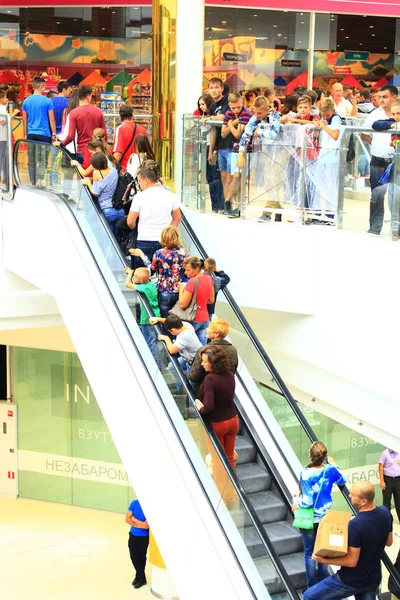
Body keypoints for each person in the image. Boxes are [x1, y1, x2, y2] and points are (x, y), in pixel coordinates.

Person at [303, 480, 393, 600]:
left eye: (353, 494)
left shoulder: (355, 525)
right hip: (373, 578)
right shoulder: (385, 512)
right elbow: (389, 542)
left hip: (351, 580)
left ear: (363, 501)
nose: (349, 495)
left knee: (309, 596)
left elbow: (351, 561)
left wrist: (323, 559)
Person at [291, 442, 346, 590]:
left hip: (309, 519)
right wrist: (334, 465)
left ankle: (311, 586)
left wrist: (296, 503)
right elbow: (343, 480)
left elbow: (307, 501)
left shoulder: (305, 473)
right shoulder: (330, 470)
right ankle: (323, 583)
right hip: (325, 517)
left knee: (309, 553)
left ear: (310, 455)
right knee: (324, 550)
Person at [237, 96, 283, 222]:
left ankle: (267, 212)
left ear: (266, 109)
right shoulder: (255, 118)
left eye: (259, 113)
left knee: (273, 179)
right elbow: (246, 133)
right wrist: (241, 153)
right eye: (255, 112)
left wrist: (260, 132)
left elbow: (274, 134)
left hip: (281, 151)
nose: (256, 115)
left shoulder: (275, 116)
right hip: (268, 151)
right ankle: (278, 208)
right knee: (268, 180)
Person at [127, 166, 181, 270]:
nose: (139, 184)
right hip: (164, 241)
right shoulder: (170, 195)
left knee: (142, 277)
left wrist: (134, 227)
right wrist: (168, 232)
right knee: (163, 273)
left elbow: (130, 221)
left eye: (140, 181)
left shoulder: (139, 197)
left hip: (144, 239)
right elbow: (177, 218)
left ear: (146, 180)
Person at [362, 84, 398, 235]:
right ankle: (375, 228)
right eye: (380, 97)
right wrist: (376, 145)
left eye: (385, 97)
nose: (381, 100)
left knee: (396, 196)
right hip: (378, 160)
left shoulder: (398, 112)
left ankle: (396, 229)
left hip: (397, 161)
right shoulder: (374, 114)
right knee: (377, 195)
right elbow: (364, 133)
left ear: (394, 97)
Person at [194, 346, 238, 469]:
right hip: (233, 420)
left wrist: (199, 406)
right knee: (229, 458)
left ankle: (220, 487)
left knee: (218, 460)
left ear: (214, 364)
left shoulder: (210, 379)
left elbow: (208, 407)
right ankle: (232, 487)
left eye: (204, 361)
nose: (202, 364)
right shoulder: (230, 375)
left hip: (218, 424)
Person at [130, 225, 188, 318]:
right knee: (178, 320)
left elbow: (151, 271)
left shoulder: (160, 253)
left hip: (164, 291)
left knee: (165, 320)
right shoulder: (184, 252)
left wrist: (142, 255)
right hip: (181, 291)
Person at [220, 92, 252, 217]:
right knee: (235, 176)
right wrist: (232, 123)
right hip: (234, 149)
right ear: (229, 105)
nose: (236, 110)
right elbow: (223, 134)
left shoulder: (246, 113)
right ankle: (229, 204)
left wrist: (228, 124)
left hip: (246, 149)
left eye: (238, 107)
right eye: (233, 108)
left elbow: (238, 134)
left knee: (240, 177)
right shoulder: (229, 113)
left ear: (242, 102)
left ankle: (232, 204)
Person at [124, 267, 162, 368]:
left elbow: (127, 284)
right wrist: (133, 274)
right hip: (156, 315)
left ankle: (155, 365)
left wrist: (129, 274)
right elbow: (136, 283)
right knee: (153, 341)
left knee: (150, 342)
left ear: (141, 280)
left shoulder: (144, 288)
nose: (133, 278)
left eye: (135, 276)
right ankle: (159, 364)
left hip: (147, 318)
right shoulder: (150, 284)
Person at [150, 314, 202, 388]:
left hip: (194, 363)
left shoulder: (184, 336)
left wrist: (166, 338)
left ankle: (190, 396)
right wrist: (158, 319)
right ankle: (179, 387)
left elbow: (172, 350)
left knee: (190, 385)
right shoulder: (186, 325)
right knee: (172, 367)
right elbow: (171, 322)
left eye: (170, 331)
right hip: (187, 358)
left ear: (173, 330)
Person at [22, 76, 57, 187]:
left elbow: (24, 120)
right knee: (43, 158)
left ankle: (33, 180)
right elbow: (51, 119)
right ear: (41, 86)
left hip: (31, 134)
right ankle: (40, 180)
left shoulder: (26, 101)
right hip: (44, 134)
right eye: (44, 87)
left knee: (31, 158)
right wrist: (54, 134)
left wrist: (25, 133)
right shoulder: (47, 101)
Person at [59, 85, 106, 164]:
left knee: (82, 174)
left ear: (78, 97)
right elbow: (104, 133)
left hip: (81, 150)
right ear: (88, 97)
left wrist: (62, 144)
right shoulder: (98, 111)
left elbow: (71, 136)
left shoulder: (73, 113)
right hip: (97, 150)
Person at [313, 98, 343, 223]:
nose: (325, 117)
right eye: (323, 115)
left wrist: (324, 126)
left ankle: (330, 215)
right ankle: (317, 213)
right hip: (323, 155)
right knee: (318, 185)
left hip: (332, 156)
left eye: (328, 115)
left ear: (333, 111)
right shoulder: (324, 119)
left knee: (331, 186)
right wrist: (317, 127)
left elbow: (335, 135)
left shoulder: (336, 118)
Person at [80, 153, 124, 235]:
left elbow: (95, 193)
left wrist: (88, 183)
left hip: (106, 210)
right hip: (118, 209)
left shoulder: (97, 173)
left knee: (104, 236)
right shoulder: (114, 170)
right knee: (116, 238)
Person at [189, 319, 238, 385]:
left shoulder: (204, 350)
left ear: (216, 334)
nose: (206, 329)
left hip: (205, 389)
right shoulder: (233, 349)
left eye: (209, 328)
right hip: (225, 388)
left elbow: (193, 377)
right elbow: (232, 370)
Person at [179, 256, 214, 345]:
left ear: (196, 269)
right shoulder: (208, 278)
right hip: (204, 318)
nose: (185, 273)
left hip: (192, 319)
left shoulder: (192, 282)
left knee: (188, 349)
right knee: (200, 350)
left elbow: (182, 304)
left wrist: (181, 290)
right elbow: (211, 300)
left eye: (188, 270)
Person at [207, 77, 229, 212]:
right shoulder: (212, 106)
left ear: (221, 88)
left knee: (229, 178)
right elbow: (213, 128)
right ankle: (220, 205)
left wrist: (208, 118)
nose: (214, 90)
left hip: (230, 145)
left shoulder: (226, 100)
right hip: (219, 147)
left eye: (216, 87)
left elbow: (223, 117)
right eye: (211, 87)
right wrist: (210, 150)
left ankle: (228, 204)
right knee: (220, 177)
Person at [112, 103, 148, 171]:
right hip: (141, 169)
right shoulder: (143, 130)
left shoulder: (120, 129)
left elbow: (118, 153)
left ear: (120, 116)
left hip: (125, 169)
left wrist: (110, 167)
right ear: (132, 114)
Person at [125, 498, 149, 589]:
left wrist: (134, 519)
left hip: (143, 538)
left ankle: (139, 578)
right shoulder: (134, 503)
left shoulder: (148, 506)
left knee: (141, 558)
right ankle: (141, 577)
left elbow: (146, 526)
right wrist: (140, 524)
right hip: (132, 535)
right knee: (133, 557)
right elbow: (127, 519)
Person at [378, 448, 400, 523]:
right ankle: (386, 520)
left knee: (399, 500)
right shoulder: (385, 453)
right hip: (387, 479)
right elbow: (380, 466)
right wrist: (382, 481)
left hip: (398, 479)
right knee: (386, 501)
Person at [0, 92, 9, 190]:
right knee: (1, 159)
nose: (7, 99)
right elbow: (3, 121)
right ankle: (1, 181)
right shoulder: (2, 108)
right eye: (6, 97)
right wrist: (12, 114)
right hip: (2, 137)